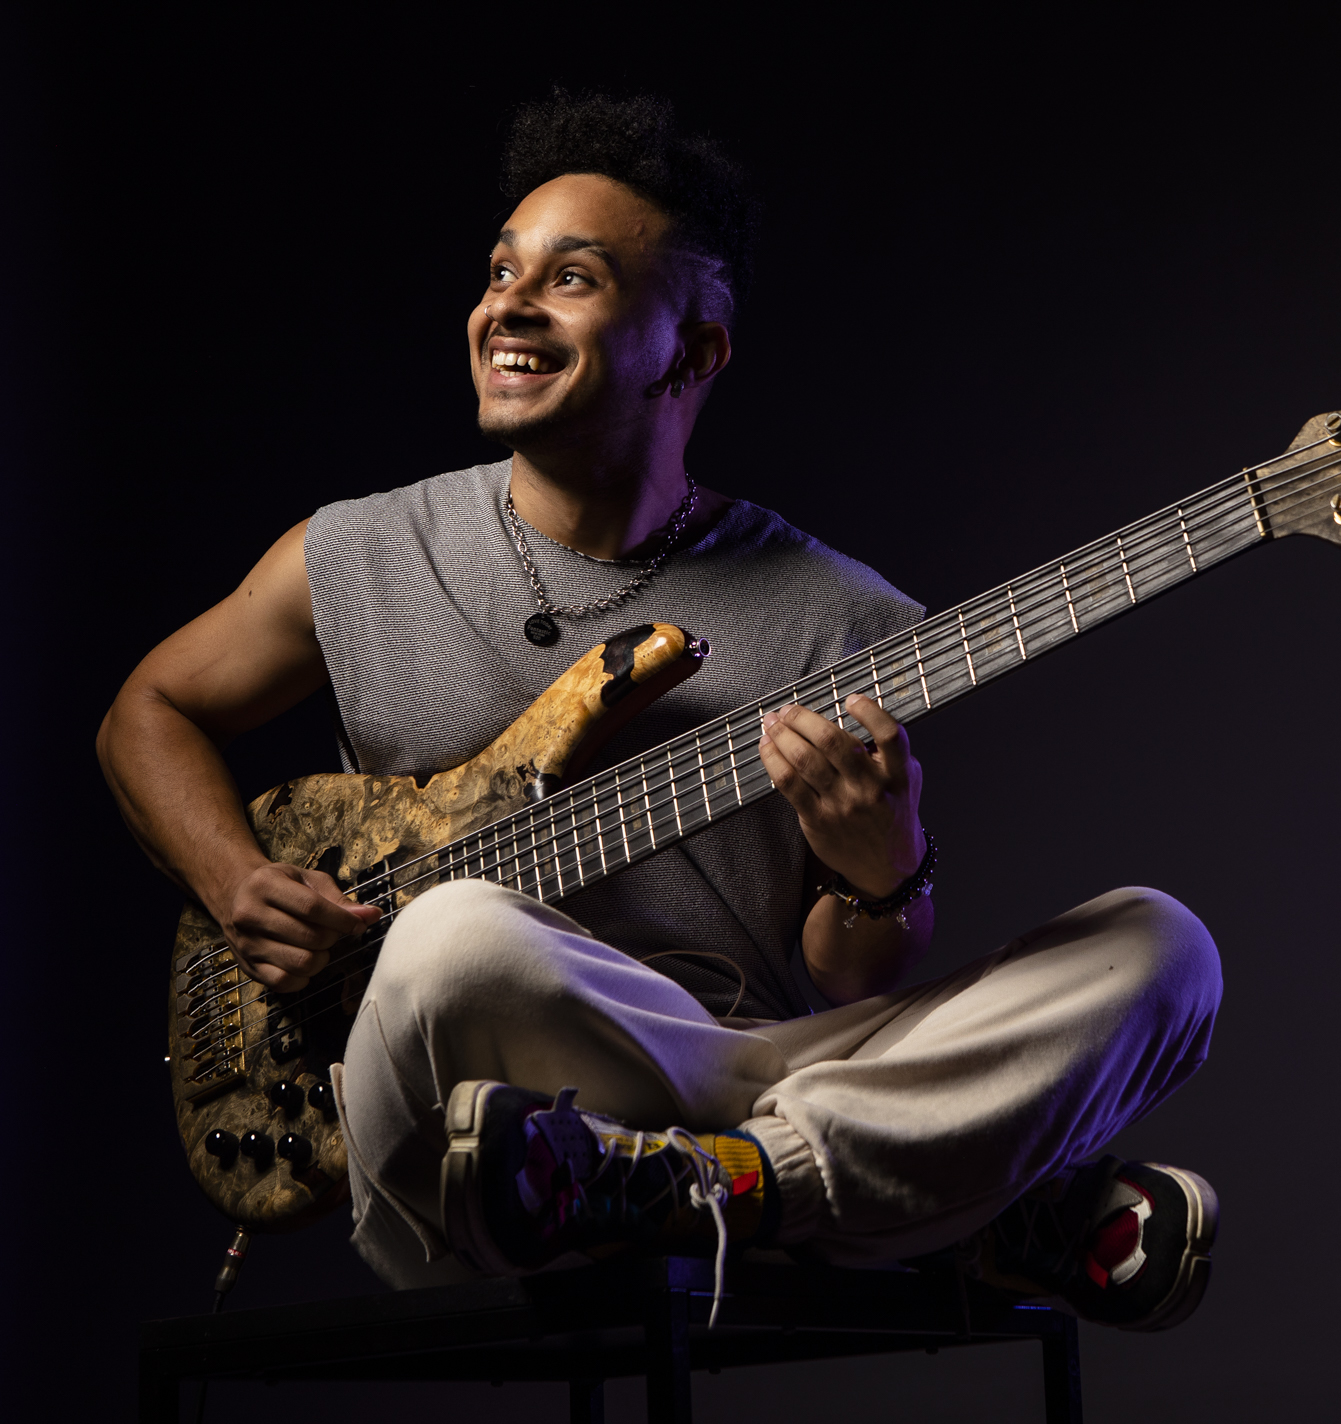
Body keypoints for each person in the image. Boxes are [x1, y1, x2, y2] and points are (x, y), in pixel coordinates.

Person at [99, 92, 1223, 1332]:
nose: (507, 306)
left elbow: (846, 971)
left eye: (570, 279)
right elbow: (145, 709)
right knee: (451, 933)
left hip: (737, 1067)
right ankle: (950, 1198)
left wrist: (883, 870)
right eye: (501, 271)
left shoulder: (840, 613)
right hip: (462, 1101)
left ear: (691, 353)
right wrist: (237, 881)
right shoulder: (361, 553)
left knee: (1162, 948)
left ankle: (703, 1184)